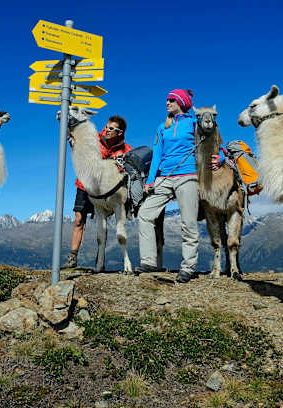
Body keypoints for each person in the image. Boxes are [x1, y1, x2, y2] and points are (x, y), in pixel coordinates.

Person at [135, 89, 199, 283]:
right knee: (145, 214)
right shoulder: (162, 126)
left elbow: (212, 144)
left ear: (181, 102)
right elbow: (157, 155)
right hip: (164, 177)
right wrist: (150, 180)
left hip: (187, 175)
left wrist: (220, 157)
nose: (167, 103)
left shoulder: (194, 123)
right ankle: (148, 262)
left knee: (188, 222)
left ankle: (188, 267)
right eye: (167, 100)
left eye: (171, 100)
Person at [63, 115, 132, 269]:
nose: (107, 130)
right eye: (107, 127)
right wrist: (68, 124)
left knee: (104, 223)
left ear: (119, 132)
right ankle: (72, 257)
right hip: (85, 185)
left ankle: (99, 260)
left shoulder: (125, 149)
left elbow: (130, 168)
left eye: (112, 129)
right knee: (79, 219)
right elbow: (74, 135)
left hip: (109, 191)